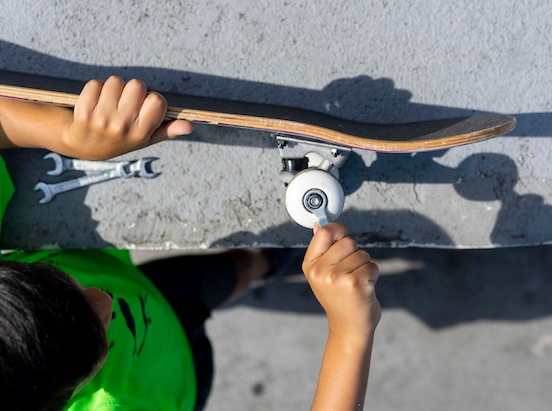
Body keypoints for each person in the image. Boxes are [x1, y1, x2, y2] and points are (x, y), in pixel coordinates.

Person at [0, 76, 381, 411]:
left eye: (56, 279)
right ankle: (272, 265)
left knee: (225, 273)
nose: (103, 298)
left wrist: (67, 136)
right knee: (208, 286)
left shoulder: (98, 297)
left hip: (152, 296)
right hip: (176, 381)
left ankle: (264, 264)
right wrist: (350, 333)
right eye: (95, 329)